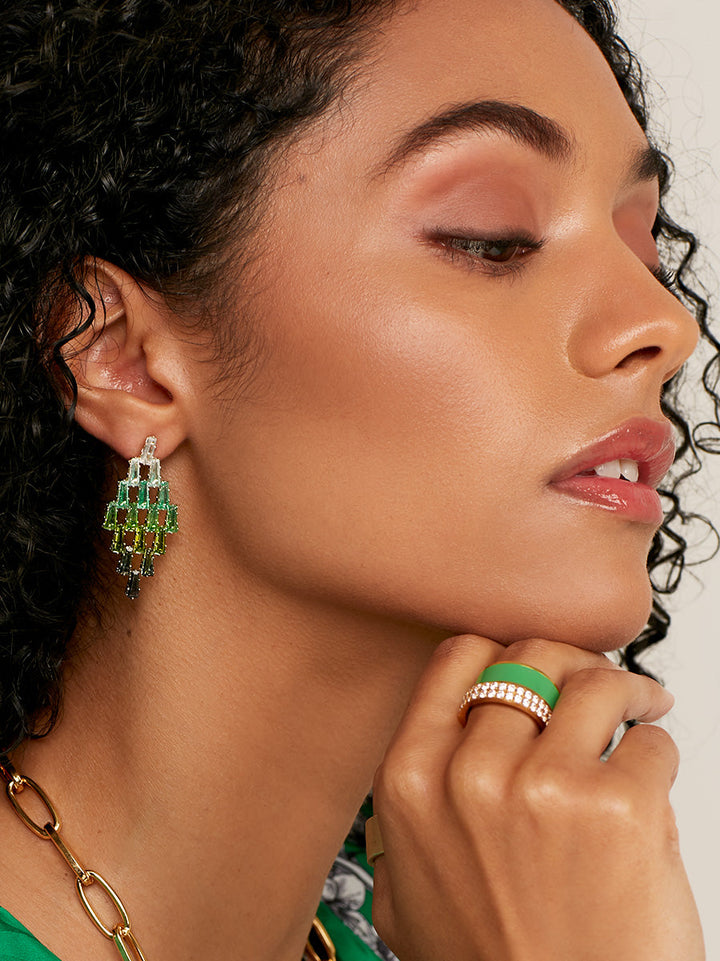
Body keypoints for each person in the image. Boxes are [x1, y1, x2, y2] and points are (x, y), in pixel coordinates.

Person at [0, 0, 714, 958]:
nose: (663, 322)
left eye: (643, 246)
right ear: (124, 359)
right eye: (492, 237)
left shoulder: (466, 919)